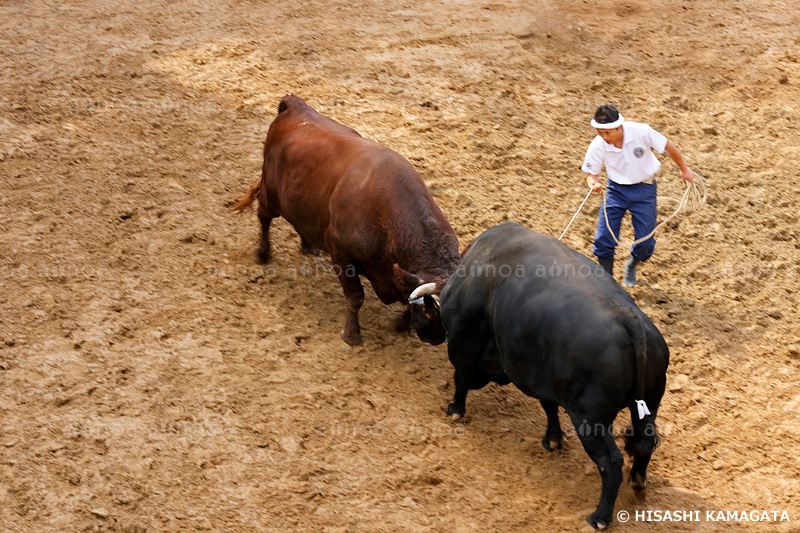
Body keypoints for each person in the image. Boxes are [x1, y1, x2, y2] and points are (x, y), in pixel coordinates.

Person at [582, 104, 693, 287]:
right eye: (600, 132)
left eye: (607, 133)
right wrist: (593, 182)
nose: (604, 137)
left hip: (644, 190)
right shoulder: (598, 144)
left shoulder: (641, 131)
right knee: (603, 236)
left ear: (619, 127)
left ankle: (632, 263)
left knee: (646, 241)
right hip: (616, 191)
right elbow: (591, 173)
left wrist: (684, 169)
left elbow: (667, 146)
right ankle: (607, 281)